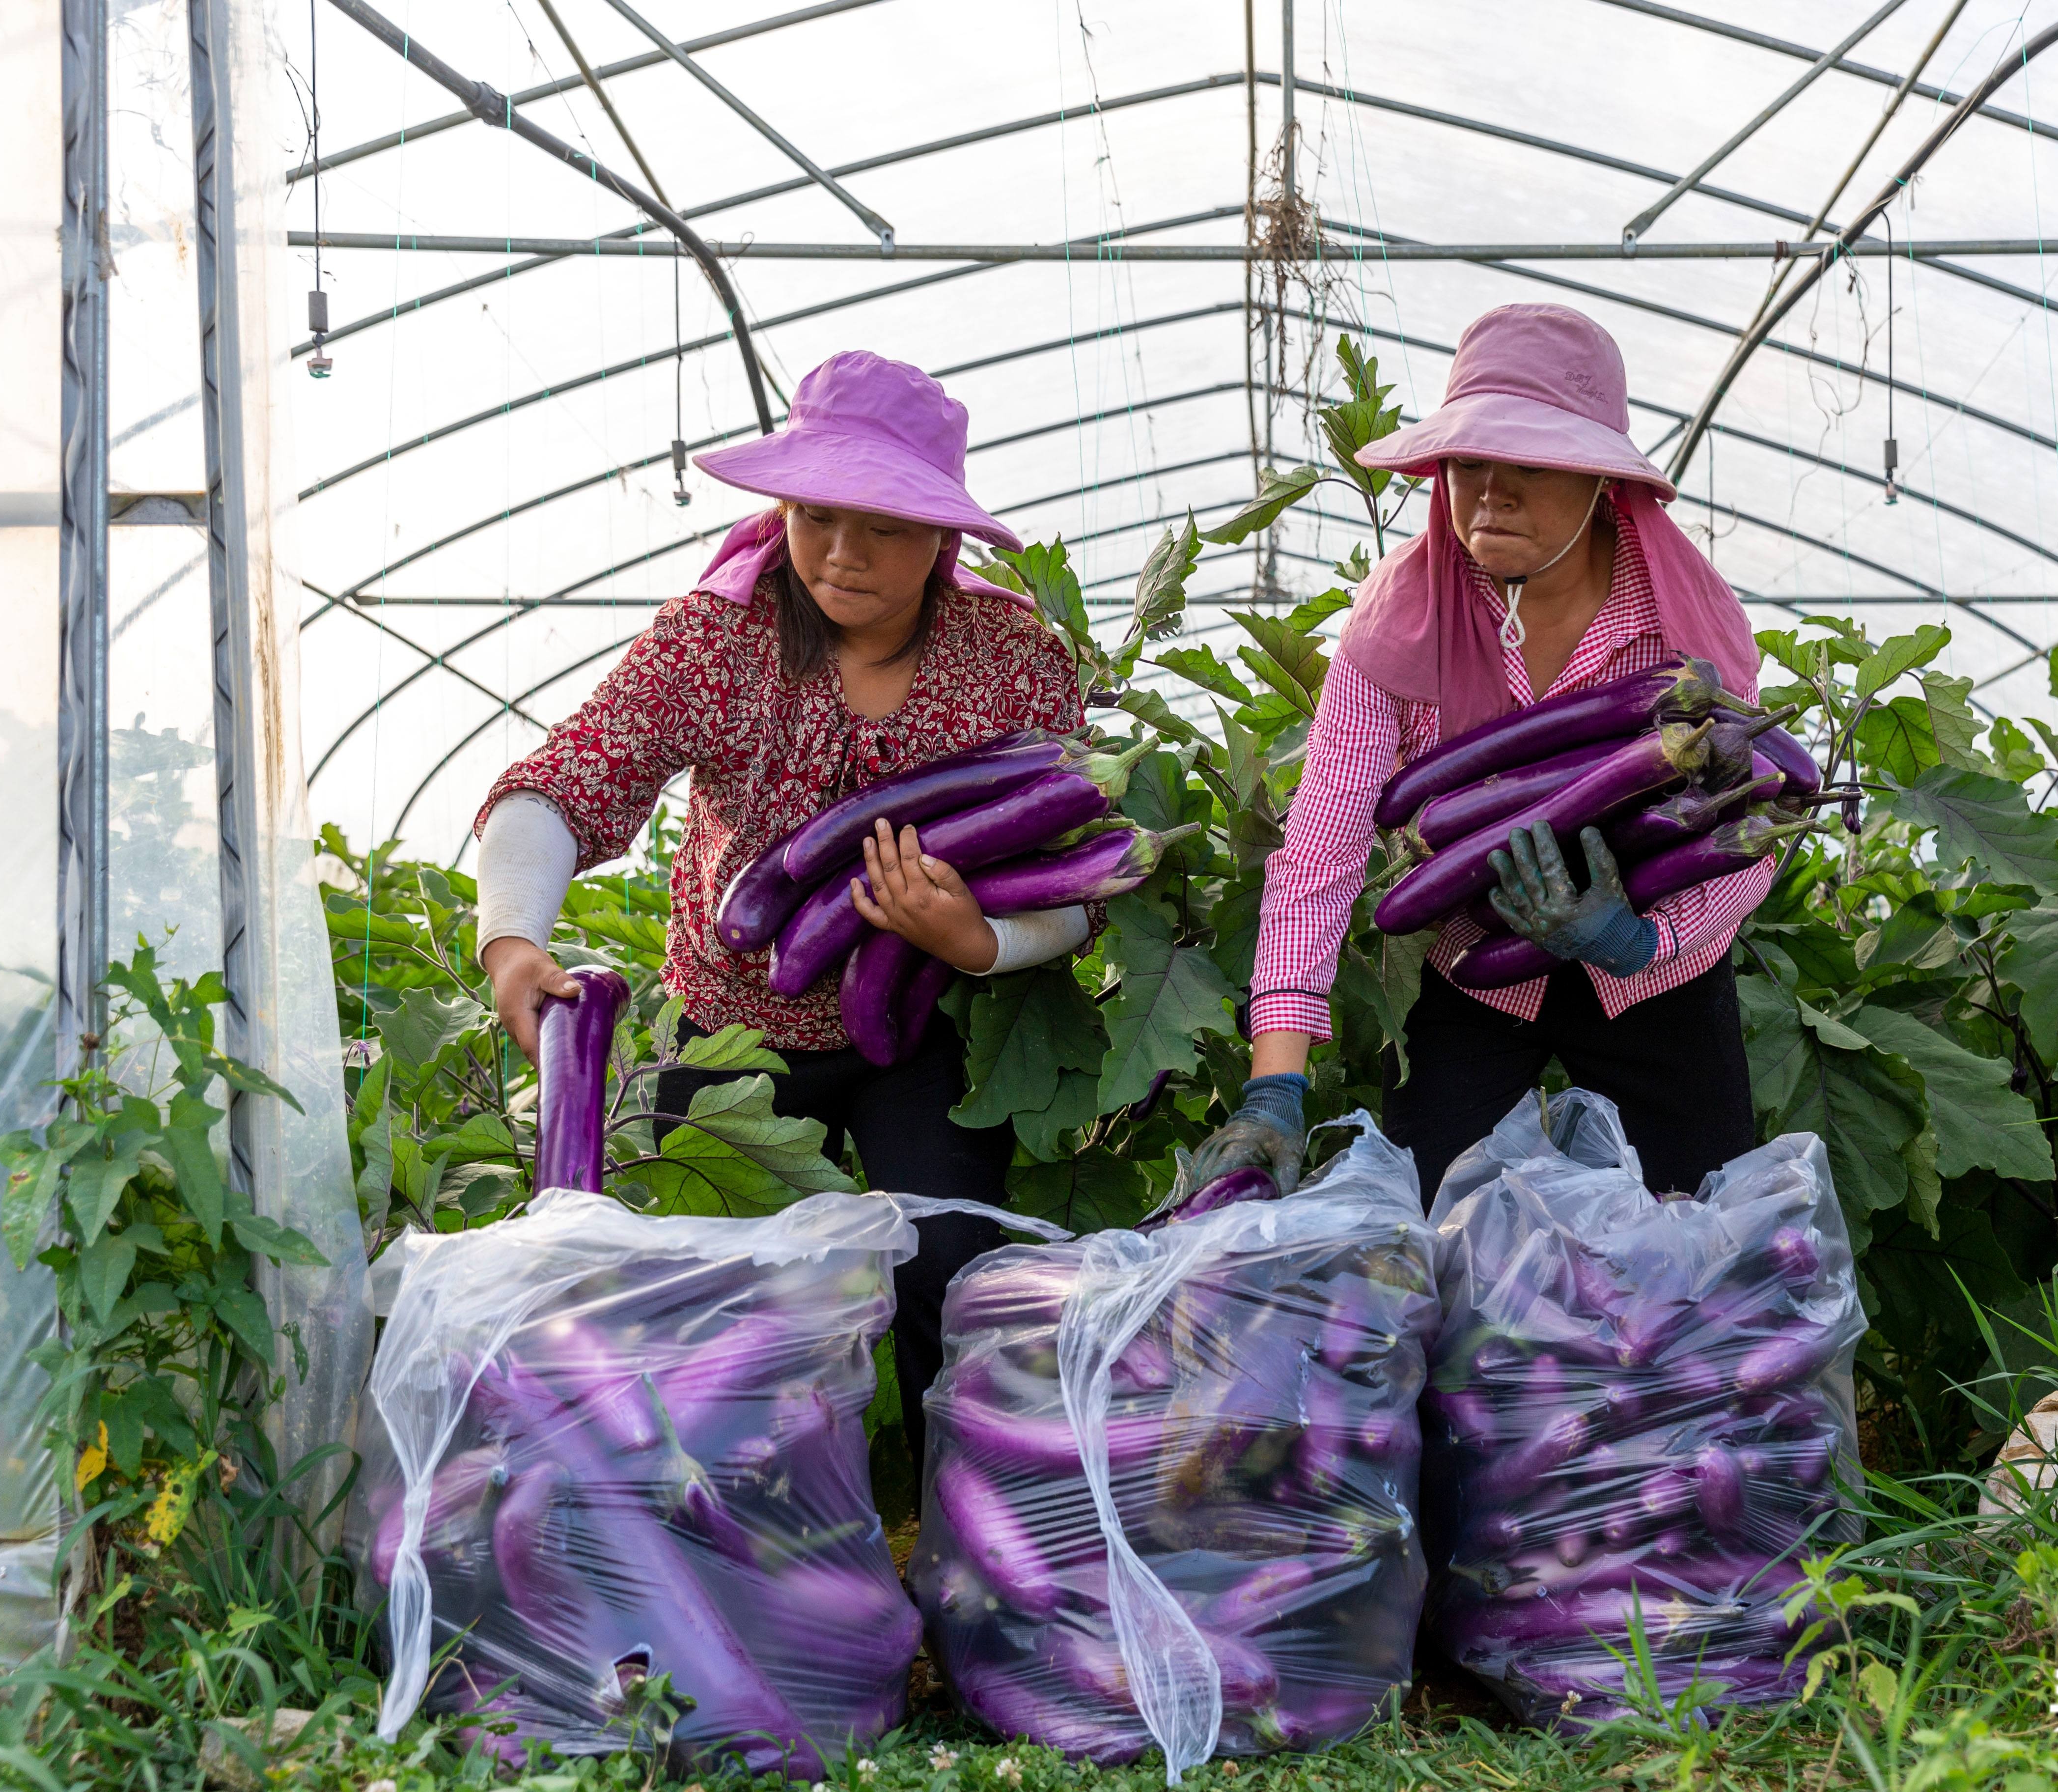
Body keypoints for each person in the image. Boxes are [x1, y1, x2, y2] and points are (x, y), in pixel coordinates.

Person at [472, 350, 1092, 1463]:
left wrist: (981, 941)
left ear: (942, 537)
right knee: (722, 1300)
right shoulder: (715, 640)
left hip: (924, 1024)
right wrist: (514, 940)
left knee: (954, 1267)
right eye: (815, 516)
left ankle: (959, 1530)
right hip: (732, 1022)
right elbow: (564, 782)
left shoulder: (1014, 660)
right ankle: (744, 1533)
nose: (843, 553)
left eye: (885, 525)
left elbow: (1081, 876)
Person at [1194, 303, 1776, 1201]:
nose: (1491, 491)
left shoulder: (1680, 627)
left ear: (1599, 483)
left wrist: (1640, 937)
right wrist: (1277, 1082)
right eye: (1468, 462)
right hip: (1471, 963)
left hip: (1656, 977)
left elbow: (1748, 828)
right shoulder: (1400, 621)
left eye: (1532, 465)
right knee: (1420, 1238)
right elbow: (1323, 845)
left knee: (1705, 1246)